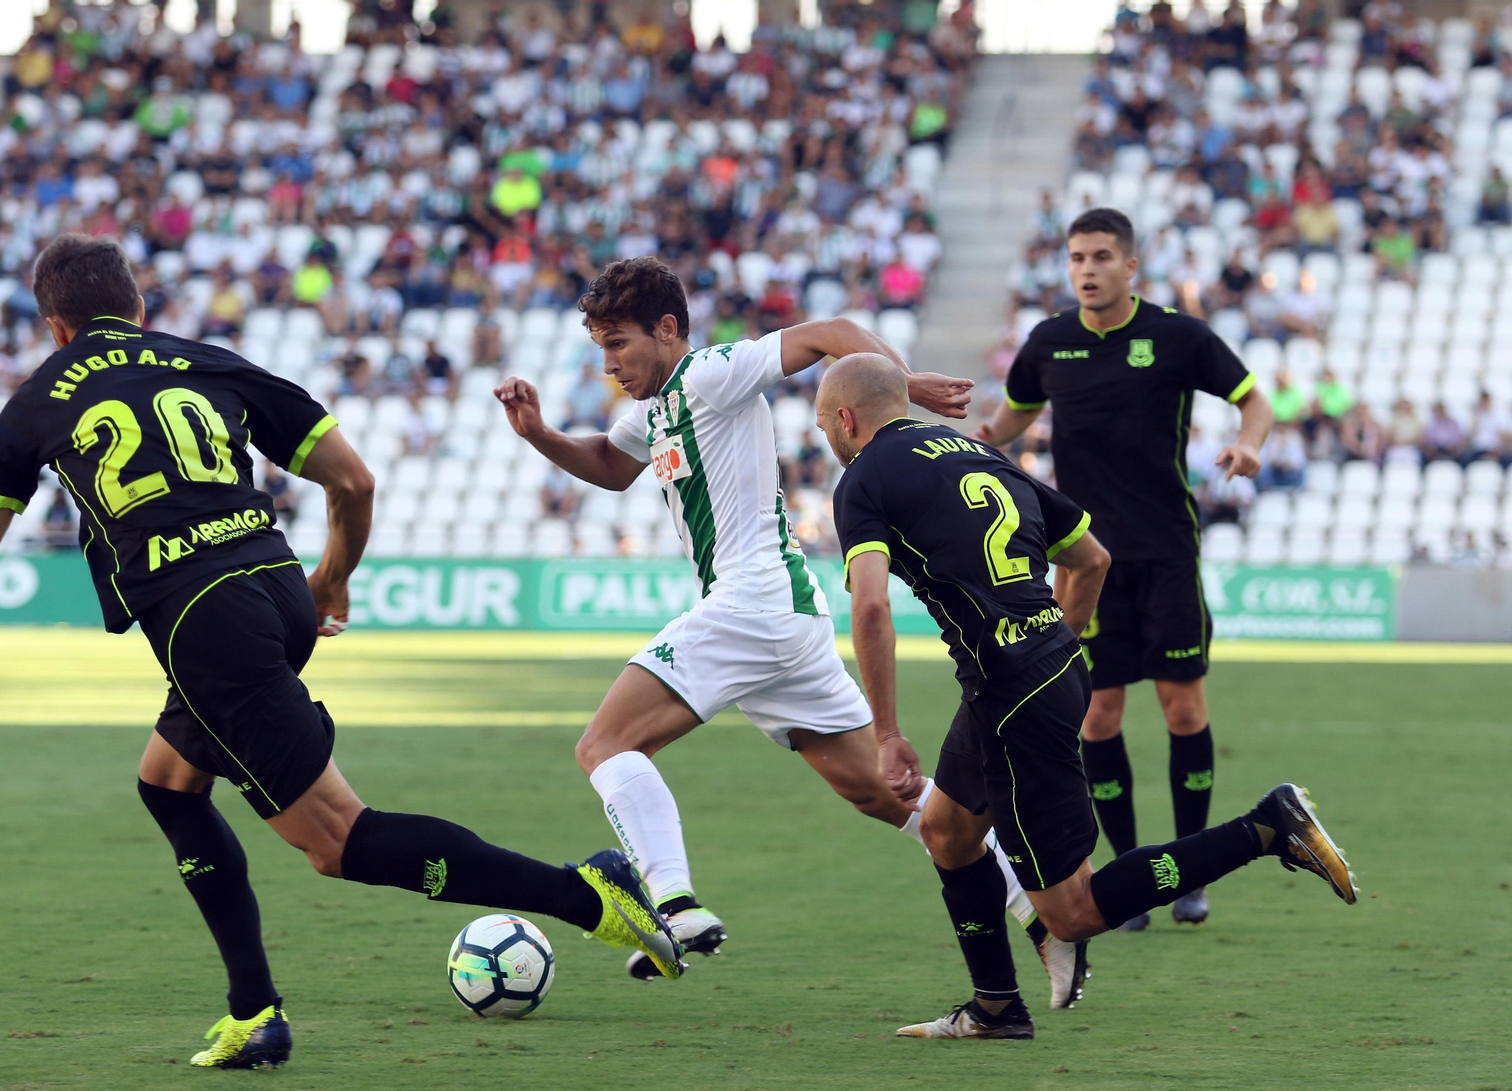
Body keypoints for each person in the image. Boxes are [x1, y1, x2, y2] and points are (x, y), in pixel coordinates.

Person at [0, 235, 682, 1070]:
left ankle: (585, 893)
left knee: (336, 841)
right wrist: (329, 580)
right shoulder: (210, 361)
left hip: (204, 627)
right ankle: (253, 1010)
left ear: (57, 328)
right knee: (169, 786)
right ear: (139, 309)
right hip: (276, 587)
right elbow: (353, 481)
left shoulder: (36, 400)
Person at [496, 258, 1086, 1006]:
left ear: (669, 329)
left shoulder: (713, 374)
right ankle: (1040, 917)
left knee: (604, 745)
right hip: (783, 617)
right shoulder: (651, 413)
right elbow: (612, 468)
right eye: (601, 348)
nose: (610, 363)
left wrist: (901, 388)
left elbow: (835, 333)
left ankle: (674, 906)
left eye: (619, 343)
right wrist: (539, 432)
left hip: (752, 603)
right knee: (885, 794)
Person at [821, 353, 1356, 1041]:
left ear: (844, 418)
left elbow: (869, 609)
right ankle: (994, 1008)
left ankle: (1264, 826)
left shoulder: (863, 477)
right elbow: (1091, 558)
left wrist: (888, 731)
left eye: (822, 424)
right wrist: (1057, 639)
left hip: (1014, 695)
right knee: (947, 831)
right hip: (1043, 669)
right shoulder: (979, 455)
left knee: (1071, 910)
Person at [978, 208, 1273, 930]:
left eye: (1102, 256)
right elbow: (1012, 416)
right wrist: (973, 442)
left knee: (1183, 707)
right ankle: (1134, 868)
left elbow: (1253, 399)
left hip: (1167, 549)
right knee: (1099, 714)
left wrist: (1250, 444)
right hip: (1084, 559)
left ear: (1130, 266)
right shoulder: (1049, 342)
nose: (1086, 268)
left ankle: (1188, 871)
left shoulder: (1177, 336)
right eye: (1078, 256)